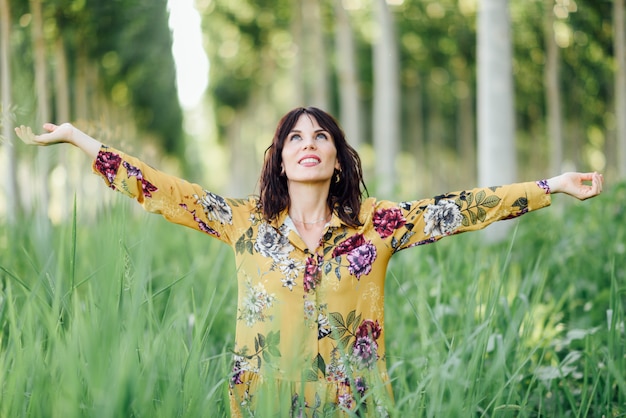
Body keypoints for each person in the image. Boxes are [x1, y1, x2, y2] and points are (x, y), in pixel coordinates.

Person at [15, 106, 604, 417]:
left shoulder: (378, 226)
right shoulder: (244, 223)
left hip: (358, 407)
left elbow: (461, 209)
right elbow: (161, 189)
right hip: (262, 405)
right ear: (279, 159)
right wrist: (79, 140)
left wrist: (551, 184)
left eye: (320, 136)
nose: (308, 144)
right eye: (295, 137)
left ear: (338, 160)